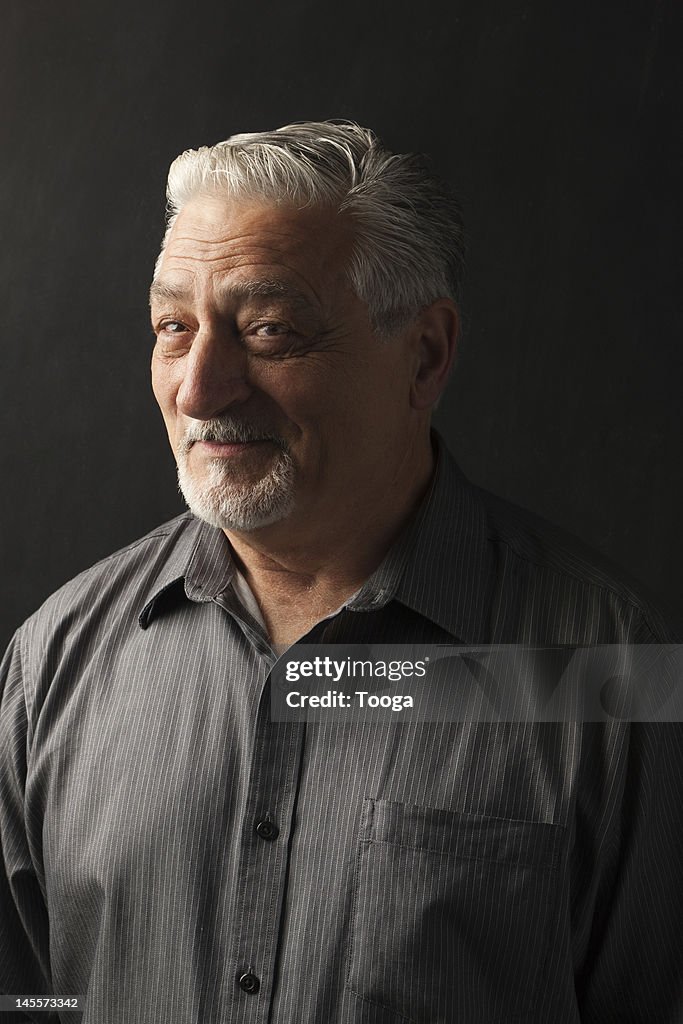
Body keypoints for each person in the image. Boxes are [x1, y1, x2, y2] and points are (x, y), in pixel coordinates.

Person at [0, 121, 680, 1024]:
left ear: (425, 356)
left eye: (270, 331)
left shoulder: (607, 673)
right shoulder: (53, 664)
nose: (199, 390)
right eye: (174, 328)